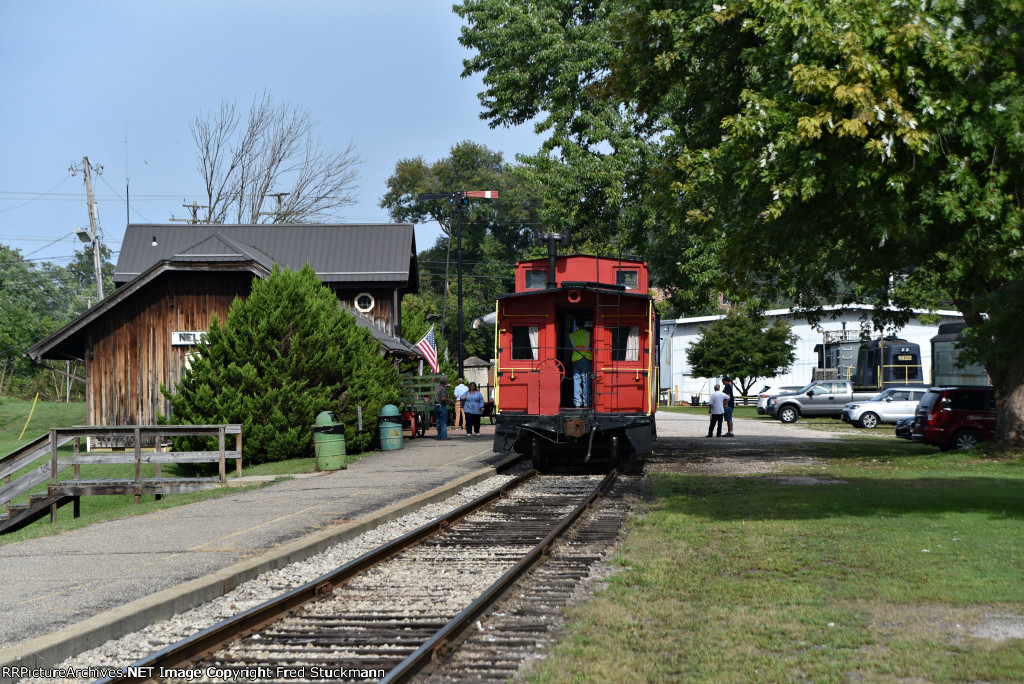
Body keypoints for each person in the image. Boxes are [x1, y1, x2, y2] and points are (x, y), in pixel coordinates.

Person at [571, 320, 593, 407]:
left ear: (576, 324)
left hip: (575, 359)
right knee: (586, 381)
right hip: (586, 358)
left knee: (576, 380)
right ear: (584, 324)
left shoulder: (572, 335)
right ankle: (586, 403)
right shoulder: (588, 334)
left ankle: (577, 402)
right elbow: (592, 346)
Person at [433, 375, 451, 440]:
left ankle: (439, 436)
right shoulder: (443, 389)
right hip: (441, 406)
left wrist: (446, 386)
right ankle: (443, 437)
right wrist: (450, 400)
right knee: (443, 422)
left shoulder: (437, 386)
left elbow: (441, 386)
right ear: (445, 382)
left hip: (436, 406)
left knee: (438, 421)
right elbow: (443, 398)